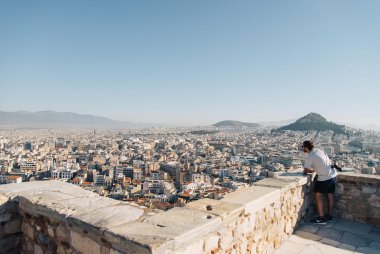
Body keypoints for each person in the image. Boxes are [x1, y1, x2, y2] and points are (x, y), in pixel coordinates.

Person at [302, 140, 337, 224]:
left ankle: (321, 218)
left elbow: (306, 170)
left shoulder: (310, 156)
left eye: (303, 147)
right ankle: (330, 216)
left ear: (306, 148)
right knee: (330, 195)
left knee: (318, 195)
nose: (302, 148)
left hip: (324, 178)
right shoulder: (318, 150)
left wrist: (311, 170)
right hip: (333, 174)